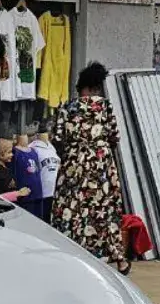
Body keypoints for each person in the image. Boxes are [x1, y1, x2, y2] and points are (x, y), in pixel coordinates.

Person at [51, 62, 131, 275]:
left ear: (83, 87)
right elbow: (114, 137)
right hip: (101, 165)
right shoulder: (105, 107)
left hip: (74, 166)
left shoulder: (67, 107)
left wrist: (73, 152)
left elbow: (57, 138)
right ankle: (119, 258)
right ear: (96, 87)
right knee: (104, 210)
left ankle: (72, 256)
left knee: (72, 209)